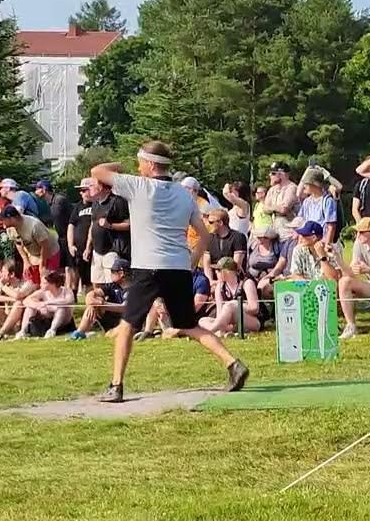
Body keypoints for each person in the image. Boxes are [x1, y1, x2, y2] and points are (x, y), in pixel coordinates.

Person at [90, 140, 250, 403]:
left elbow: (97, 171)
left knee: (127, 324)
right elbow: (203, 235)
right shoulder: (185, 195)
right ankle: (233, 363)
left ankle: (116, 385)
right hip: (178, 268)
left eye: (140, 162)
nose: (138, 168)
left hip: (148, 267)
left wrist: (120, 165)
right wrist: (192, 262)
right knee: (188, 325)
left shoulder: (138, 186)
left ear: (151, 165)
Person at [198, 258, 264, 336]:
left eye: (218, 270)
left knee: (230, 306)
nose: (216, 272)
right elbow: (219, 314)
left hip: (251, 320)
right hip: (229, 322)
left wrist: (235, 305)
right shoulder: (220, 287)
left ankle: (213, 331)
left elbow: (255, 308)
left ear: (227, 271)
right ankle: (223, 330)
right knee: (202, 320)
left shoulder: (246, 283)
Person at [70, 254, 131, 340]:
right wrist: (93, 303)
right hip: (110, 317)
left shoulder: (132, 289)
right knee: (94, 303)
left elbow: (125, 307)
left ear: (121, 273)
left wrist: (103, 304)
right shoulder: (112, 285)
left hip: (124, 320)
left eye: (113, 271)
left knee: (111, 335)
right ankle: (79, 332)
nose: (111, 274)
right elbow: (92, 293)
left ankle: (94, 334)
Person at [0, 205, 60, 285]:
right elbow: (18, 243)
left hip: (49, 252)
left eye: (3, 219)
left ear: (11, 218)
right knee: (32, 281)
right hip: (33, 254)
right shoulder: (9, 229)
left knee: (48, 280)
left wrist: (42, 264)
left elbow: (45, 246)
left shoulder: (34, 226)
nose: (1, 222)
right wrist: (26, 261)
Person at [0, 260, 35, 341]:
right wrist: (8, 299)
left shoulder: (27, 284)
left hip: (18, 324)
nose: (1, 274)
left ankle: (0, 334)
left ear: (12, 274)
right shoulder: (3, 283)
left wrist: (3, 287)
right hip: (4, 319)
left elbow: (17, 295)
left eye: (3, 272)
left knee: (18, 304)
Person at [16, 270, 74, 339]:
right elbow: (26, 301)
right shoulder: (43, 292)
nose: (41, 285)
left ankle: (52, 330)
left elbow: (69, 300)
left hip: (64, 321)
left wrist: (48, 303)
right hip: (47, 320)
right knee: (30, 308)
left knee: (61, 308)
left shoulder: (66, 291)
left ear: (52, 283)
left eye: (44, 283)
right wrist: (38, 305)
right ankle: (23, 331)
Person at [201, 208, 248, 282]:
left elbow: (236, 265)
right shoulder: (209, 238)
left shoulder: (238, 237)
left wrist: (221, 283)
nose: (208, 224)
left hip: (234, 281)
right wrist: (210, 281)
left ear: (220, 223)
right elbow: (206, 264)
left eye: (211, 222)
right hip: (214, 281)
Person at [67, 178, 96, 292]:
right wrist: (70, 244)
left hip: (93, 248)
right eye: (81, 191)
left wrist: (89, 247)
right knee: (77, 274)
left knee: (91, 278)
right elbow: (71, 225)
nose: (82, 193)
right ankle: (74, 296)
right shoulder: (78, 207)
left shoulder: (97, 205)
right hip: (78, 249)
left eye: (85, 190)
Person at [35, 180, 73, 268]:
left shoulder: (59, 201)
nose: (35, 192)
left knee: (72, 266)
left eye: (37, 189)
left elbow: (58, 217)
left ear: (44, 189)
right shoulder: (51, 203)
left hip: (68, 238)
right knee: (66, 266)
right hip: (62, 238)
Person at [261, 161, 301, 242]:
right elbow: (264, 209)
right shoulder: (272, 190)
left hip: (288, 233)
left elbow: (284, 210)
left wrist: (271, 207)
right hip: (276, 231)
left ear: (282, 174)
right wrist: (277, 208)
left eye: (273, 173)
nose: (270, 175)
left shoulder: (292, 188)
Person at [247, 225, 287, 298]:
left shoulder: (276, 248)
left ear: (270, 238)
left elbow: (280, 265)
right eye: (259, 237)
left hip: (271, 278)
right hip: (252, 277)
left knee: (265, 289)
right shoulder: (253, 246)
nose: (261, 240)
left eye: (265, 238)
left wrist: (268, 277)